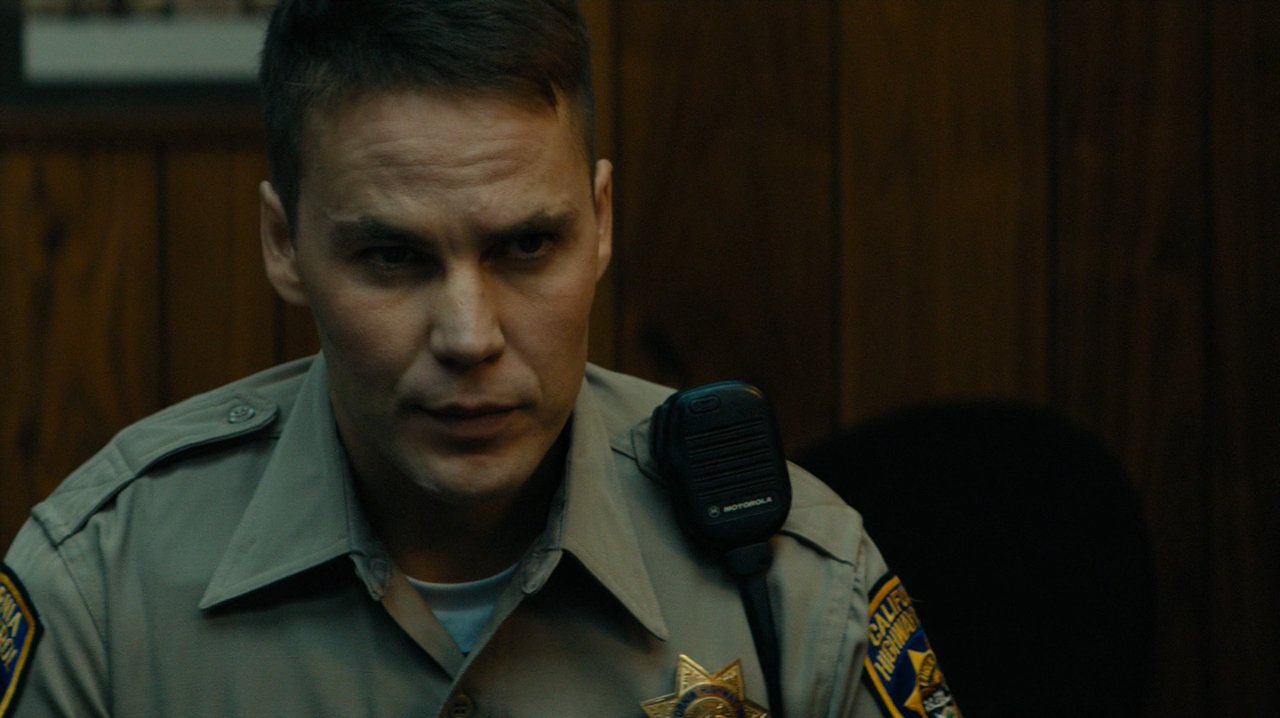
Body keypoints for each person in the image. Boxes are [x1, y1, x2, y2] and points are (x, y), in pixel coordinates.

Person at [0, 2, 960, 716]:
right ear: (284, 245)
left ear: (601, 223)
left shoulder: (788, 580)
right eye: (392, 257)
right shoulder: (102, 589)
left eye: (527, 247)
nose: (469, 336)